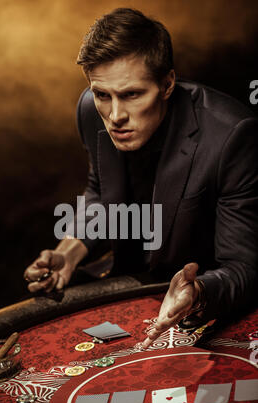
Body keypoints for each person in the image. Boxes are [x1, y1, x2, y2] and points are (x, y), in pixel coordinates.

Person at [24, 8, 258, 348]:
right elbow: (101, 194)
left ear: (167, 84)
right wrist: (71, 251)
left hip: (201, 307)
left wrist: (199, 292)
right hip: (125, 285)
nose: (115, 115)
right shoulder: (90, 109)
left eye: (132, 94)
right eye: (103, 94)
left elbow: (245, 268)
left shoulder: (232, 136)